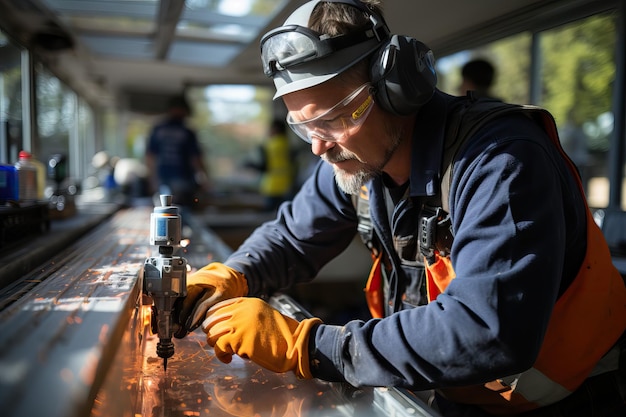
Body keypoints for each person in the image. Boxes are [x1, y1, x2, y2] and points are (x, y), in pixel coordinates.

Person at [174, 1, 626, 416]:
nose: (316, 146)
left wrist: (310, 346)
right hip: (453, 391)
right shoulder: (357, 158)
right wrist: (234, 274)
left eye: (331, 119)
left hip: (564, 397)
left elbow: (489, 330)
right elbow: (293, 237)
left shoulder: (500, 162)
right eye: (302, 125)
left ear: (397, 88)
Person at [145, 95, 209, 213]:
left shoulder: (158, 129)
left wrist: (152, 180)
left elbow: (150, 157)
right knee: (182, 214)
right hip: (182, 180)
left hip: (163, 180)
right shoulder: (186, 132)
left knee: (165, 212)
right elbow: (195, 158)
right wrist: (205, 179)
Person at [244, 119, 295, 211]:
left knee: (269, 213)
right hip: (286, 183)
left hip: (272, 184)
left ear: (275, 129)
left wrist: (250, 165)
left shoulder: (269, 145)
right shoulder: (287, 143)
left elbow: (264, 166)